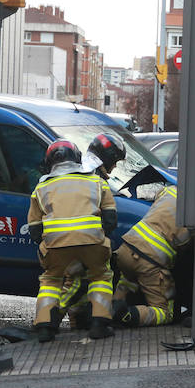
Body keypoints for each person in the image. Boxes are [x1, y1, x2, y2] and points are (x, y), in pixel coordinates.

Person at [26, 140, 117, 343]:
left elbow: (34, 229)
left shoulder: (42, 187)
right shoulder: (96, 181)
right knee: (100, 276)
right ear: (77, 158)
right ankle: (99, 325)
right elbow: (111, 218)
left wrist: (46, 245)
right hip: (92, 242)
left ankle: (45, 328)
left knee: (51, 280)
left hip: (56, 246)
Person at [55, 133, 129, 334]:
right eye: (114, 162)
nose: (114, 168)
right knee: (77, 282)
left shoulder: (82, 167)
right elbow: (103, 215)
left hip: (64, 237)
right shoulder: (91, 173)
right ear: (107, 157)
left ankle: (77, 323)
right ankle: (48, 321)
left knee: (80, 283)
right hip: (82, 239)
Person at [113, 184, 191, 327]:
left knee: (128, 283)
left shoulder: (172, 190)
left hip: (126, 248)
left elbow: (157, 196)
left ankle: (105, 314)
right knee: (165, 313)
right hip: (149, 260)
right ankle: (127, 316)